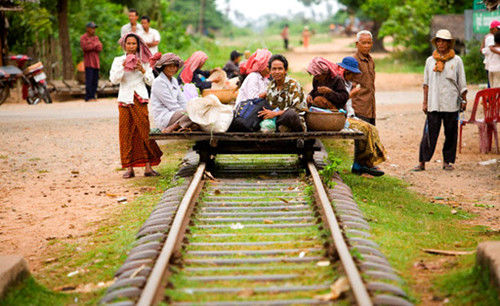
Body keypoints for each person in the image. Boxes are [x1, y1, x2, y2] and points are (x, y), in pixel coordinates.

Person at [110, 32, 162, 179]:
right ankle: (129, 168)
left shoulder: (144, 61)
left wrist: (142, 69)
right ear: (124, 45)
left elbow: (151, 81)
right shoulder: (118, 60)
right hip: (125, 100)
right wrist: (123, 65)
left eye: (134, 44)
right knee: (126, 133)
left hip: (140, 99)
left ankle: (148, 167)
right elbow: (114, 79)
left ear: (138, 45)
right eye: (128, 44)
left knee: (144, 131)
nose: (131, 46)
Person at [414, 29, 467, 172]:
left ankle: (447, 161)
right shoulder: (430, 61)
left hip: (451, 103)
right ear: (436, 43)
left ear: (449, 43)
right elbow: (426, 84)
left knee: (450, 133)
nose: (441, 43)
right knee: (429, 134)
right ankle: (422, 162)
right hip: (434, 103)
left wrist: (464, 100)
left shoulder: (457, 61)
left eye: (444, 41)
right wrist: (425, 102)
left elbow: (462, 82)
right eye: (439, 41)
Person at [340, 56, 386, 176]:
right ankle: (363, 164)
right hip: (340, 118)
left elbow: (348, 106)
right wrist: (351, 94)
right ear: (346, 72)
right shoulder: (339, 83)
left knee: (372, 129)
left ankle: (364, 163)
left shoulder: (349, 83)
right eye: (352, 74)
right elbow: (337, 102)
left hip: (349, 116)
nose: (354, 77)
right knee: (364, 129)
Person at [150, 53, 198, 133]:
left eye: (175, 66)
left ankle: (181, 125)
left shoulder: (174, 80)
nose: (173, 69)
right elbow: (171, 105)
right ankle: (173, 127)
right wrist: (187, 113)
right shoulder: (158, 82)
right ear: (163, 67)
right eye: (170, 66)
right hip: (164, 116)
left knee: (196, 116)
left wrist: (190, 109)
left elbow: (182, 100)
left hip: (177, 114)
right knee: (192, 114)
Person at [260, 54, 308, 132]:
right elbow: (271, 107)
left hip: (294, 121)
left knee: (290, 114)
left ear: (285, 70)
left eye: (280, 69)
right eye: (274, 69)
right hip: (277, 120)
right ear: (270, 70)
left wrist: (275, 114)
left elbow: (296, 110)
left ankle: (300, 138)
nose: (277, 72)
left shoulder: (293, 85)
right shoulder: (271, 86)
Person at [351, 30, 376, 124]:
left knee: (371, 136)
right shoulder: (353, 61)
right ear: (357, 44)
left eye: (369, 43)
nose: (366, 45)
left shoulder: (371, 60)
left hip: (371, 107)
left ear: (372, 44)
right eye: (363, 43)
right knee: (361, 136)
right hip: (359, 108)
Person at [80, 21, 102, 102]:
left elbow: (100, 47)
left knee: (95, 80)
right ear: (87, 29)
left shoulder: (96, 38)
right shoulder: (83, 37)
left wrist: (93, 45)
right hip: (89, 62)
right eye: (92, 28)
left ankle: (93, 96)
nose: (93, 30)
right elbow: (85, 47)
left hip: (96, 62)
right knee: (89, 80)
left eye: (94, 28)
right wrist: (95, 45)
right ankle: (88, 97)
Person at [481, 20, 500, 87]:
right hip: (493, 65)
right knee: (494, 84)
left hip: (489, 65)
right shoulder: (491, 37)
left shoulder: (487, 36)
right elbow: (491, 48)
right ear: (494, 28)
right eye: (498, 29)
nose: (498, 30)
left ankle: (490, 96)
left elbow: (482, 50)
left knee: (491, 82)